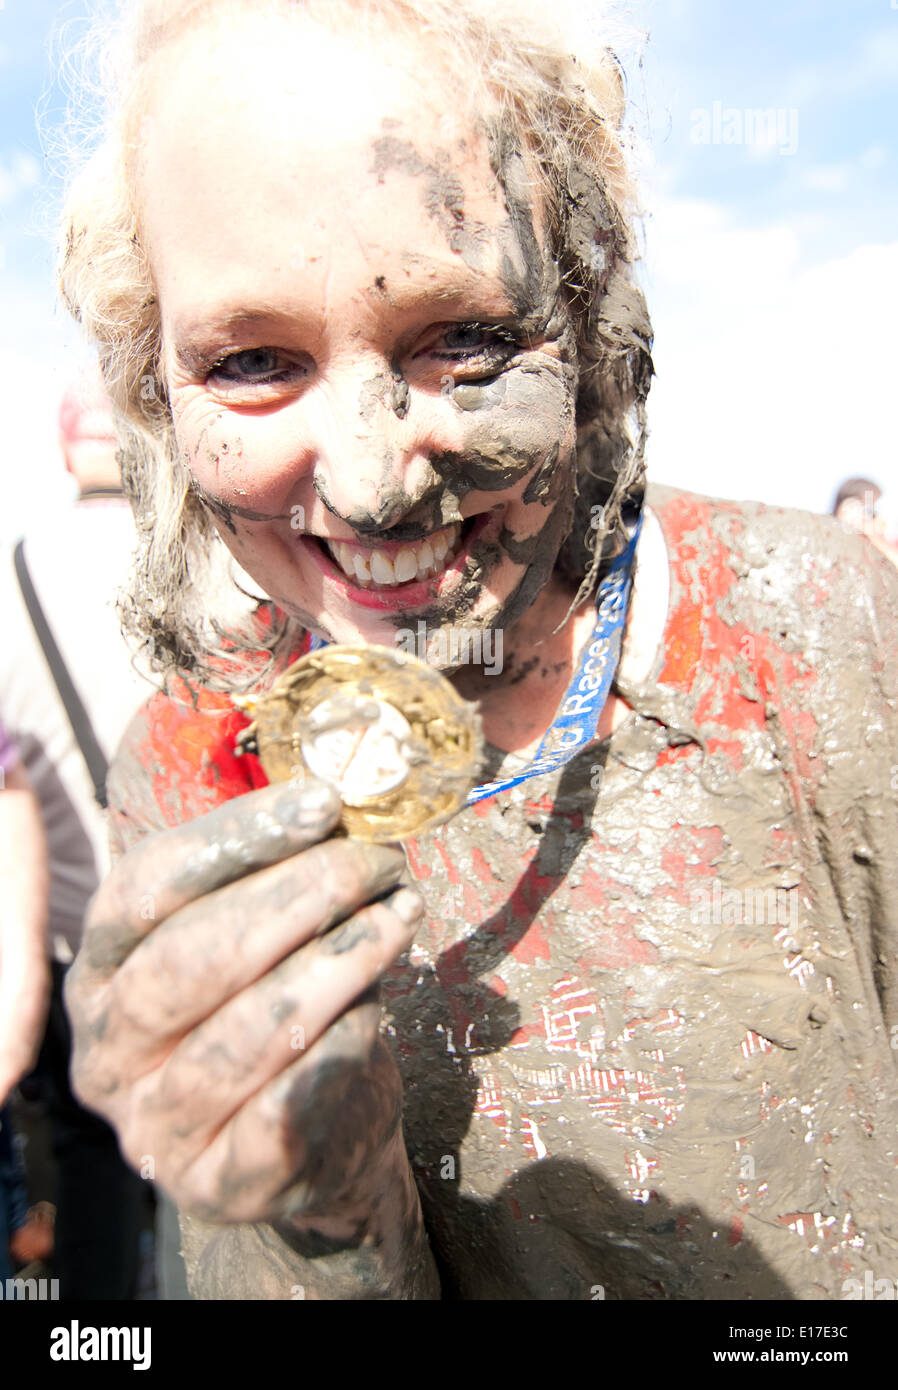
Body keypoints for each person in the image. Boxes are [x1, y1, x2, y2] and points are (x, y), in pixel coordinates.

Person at [59, 0, 898, 1300]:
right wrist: (315, 1213)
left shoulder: (815, 636)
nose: (369, 479)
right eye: (253, 361)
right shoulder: (191, 776)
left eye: (462, 338)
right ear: (152, 387)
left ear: (588, 314)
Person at [0, 373, 156, 1298]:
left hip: (59, 928)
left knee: (86, 1143)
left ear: (65, 448)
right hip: (183, 904)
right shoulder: (206, 567)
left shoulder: (12, 569)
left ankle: (101, 1340)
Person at [832, 476, 898, 569]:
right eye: (869, 511)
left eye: (873, 513)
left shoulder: (883, 542)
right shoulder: (825, 540)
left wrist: (873, 536)